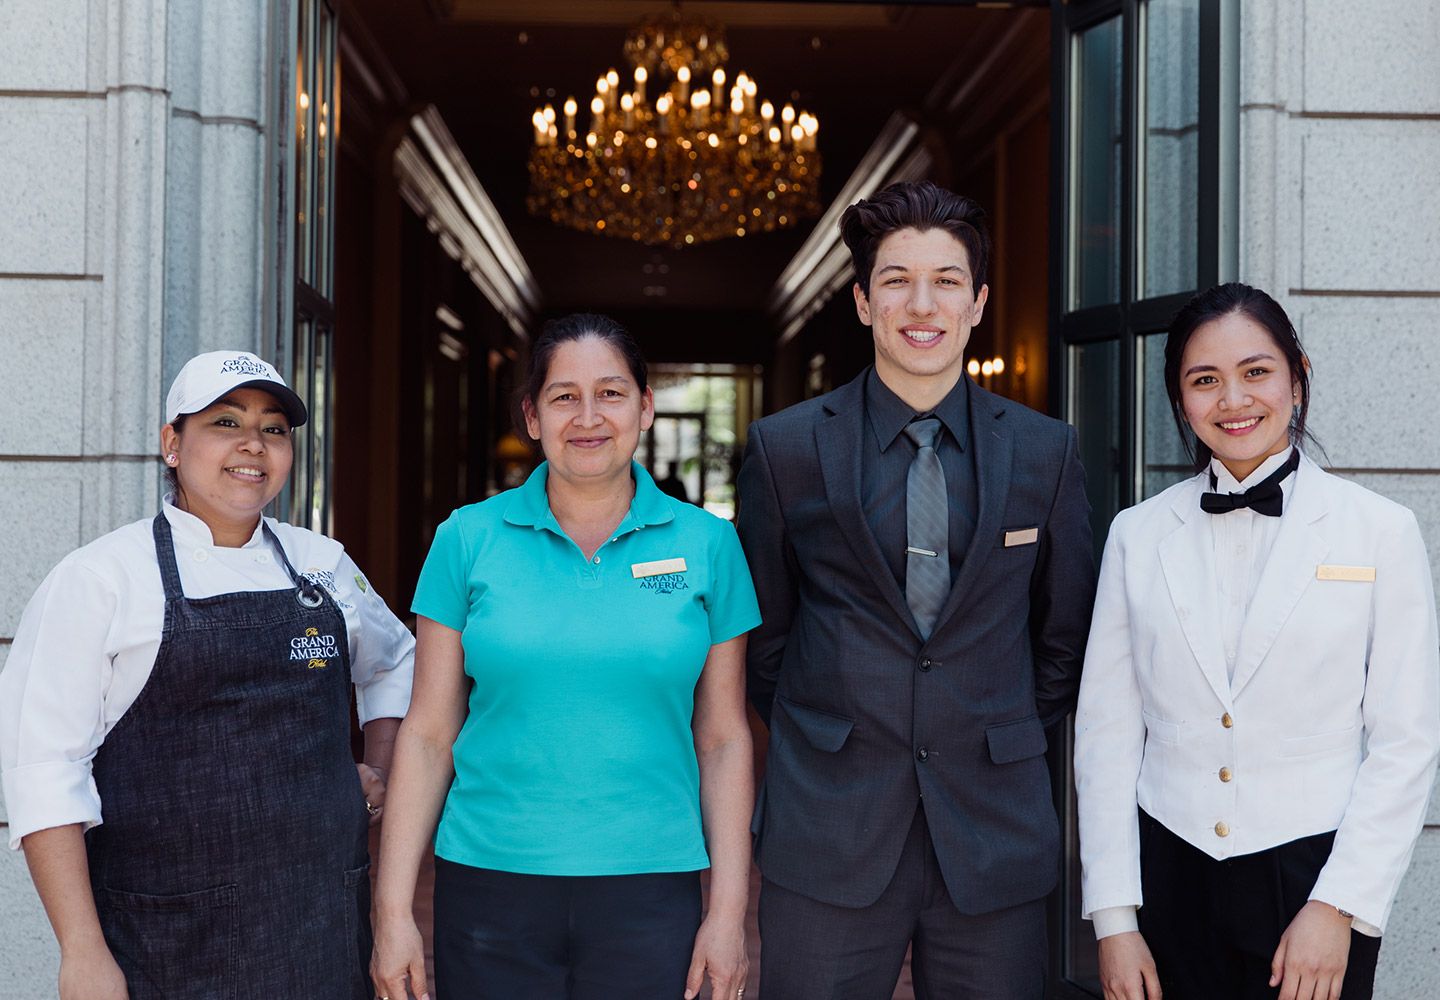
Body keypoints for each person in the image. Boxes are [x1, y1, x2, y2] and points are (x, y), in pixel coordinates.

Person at [737, 179, 1095, 998]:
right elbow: (765, 639)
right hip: (829, 823)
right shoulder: (786, 449)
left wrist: (988, 724)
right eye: (896, 280)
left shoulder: (1046, 453)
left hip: (993, 827)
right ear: (864, 303)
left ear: (978, 304)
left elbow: (1062, 635)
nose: (921, 303)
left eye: (947, 281)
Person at [0, 350, 416, 1000]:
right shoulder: (99, 579)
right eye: (225, 422)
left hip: (322, 929)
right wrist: (81, 952)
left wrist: (379, 779)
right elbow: (43, 771)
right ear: (172, 443)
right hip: (163, 937)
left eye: (273, 428)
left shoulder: (323, 565)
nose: (253, 444)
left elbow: (396, 663)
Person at [371, 313, 759, 1000]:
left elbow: (724, 739)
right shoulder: (467, 538)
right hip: (489, 884)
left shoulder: (708, 545)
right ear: (531, 414)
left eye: (610, 393)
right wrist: (392, 911)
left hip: (651, 886)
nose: (588, 417)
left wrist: (727, 915)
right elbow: (429, 734)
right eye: (563, 396)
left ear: (644, 407)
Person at [1074, 283, 1440, 1000]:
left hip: (1314, 876)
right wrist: (1114, 920)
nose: (1232, 400)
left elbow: (1406, 741)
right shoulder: (1136, 535)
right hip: (1168, 875)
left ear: (1298, 378)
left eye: (1256, 372)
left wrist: (1339, 906)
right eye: (1204, 380)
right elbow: (1106, 735)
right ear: (1180, 401)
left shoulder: (1381, 532)